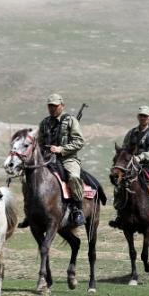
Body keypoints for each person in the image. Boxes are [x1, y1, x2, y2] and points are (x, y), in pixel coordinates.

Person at [109, 105, 149, 228]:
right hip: (132, 167)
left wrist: (140, 157)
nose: (143, 118)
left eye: (145, 116)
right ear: (138, 117)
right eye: (141, 115)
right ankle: (120, 215)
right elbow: (125, 149)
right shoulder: (131, 133)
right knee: (119, 186)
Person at [37, 93, 86, 226]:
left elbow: (80, 142)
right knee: (30, 177)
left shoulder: (70, 120)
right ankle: (30, 209)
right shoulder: (45, 123)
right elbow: (39, 142)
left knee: (74, 177)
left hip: (67, 159)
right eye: (50, 106)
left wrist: (61, 149)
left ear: (62, 106)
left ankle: (77, 209)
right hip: (47, 159)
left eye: (55, 106)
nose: (52, 108)